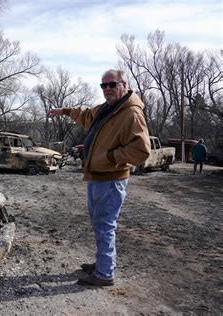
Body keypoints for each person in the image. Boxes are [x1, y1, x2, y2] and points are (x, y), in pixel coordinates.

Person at [48, 69, 151, 286]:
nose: (107, 90)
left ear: (124, 84)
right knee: (99, 224)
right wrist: (64, 111)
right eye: (103, 86)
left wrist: (110, 157)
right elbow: (86, 115)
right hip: (98, 176)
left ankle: (104, 275)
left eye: (112, 85)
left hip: (111, 179)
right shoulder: (108, 109)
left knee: (105, 225)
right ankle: (103, 264)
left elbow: (141, 150)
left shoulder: (130, 113)